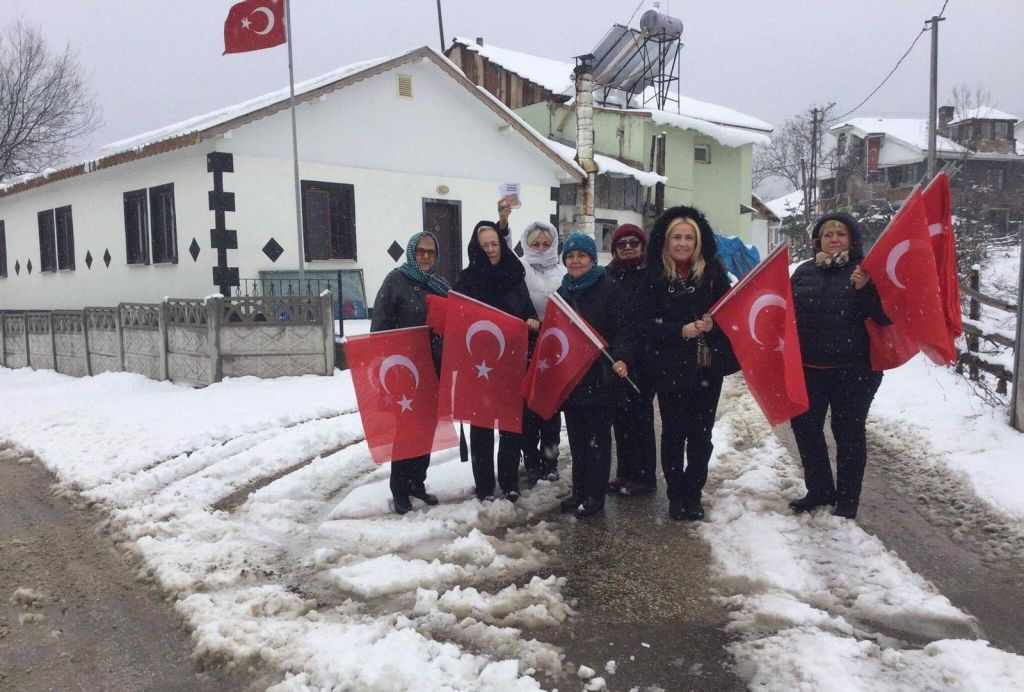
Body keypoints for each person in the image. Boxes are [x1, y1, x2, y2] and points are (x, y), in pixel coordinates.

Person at [635, 206, 737, 521]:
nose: (682, 243)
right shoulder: (652, 276)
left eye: (688, 237)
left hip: (706, 367)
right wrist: (678, 330)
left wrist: (713, 325)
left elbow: (731, 313)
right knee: (673, 433)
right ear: (666, 242)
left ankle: (694, 491)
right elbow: (642, 321)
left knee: (701, 434)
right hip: (668, 368)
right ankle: (676, 493)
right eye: (676, 237)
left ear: (698, 241)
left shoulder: (714, 274)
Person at [789, 212, 890, 520]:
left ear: (851, 240)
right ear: (818, 240)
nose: (834, 238)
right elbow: (785, 317)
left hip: (854, 370)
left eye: (841, 233)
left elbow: (884, 318)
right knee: (806, 430)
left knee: (848, 433)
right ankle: (819, 490)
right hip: (809, 369)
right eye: (828, 233)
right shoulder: (802, 273)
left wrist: (866, 290)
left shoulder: (865, 273)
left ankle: (847, 500)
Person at [454, 220, 540, 502]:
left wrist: (531, 321)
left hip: (511, 362)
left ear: (501, 244)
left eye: (494, 243)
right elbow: (459, 320)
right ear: (476, 248)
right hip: (479, 365)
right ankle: (485, 486)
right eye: (485, 245)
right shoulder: (467, 280)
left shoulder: (515, 275)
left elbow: (528, 311)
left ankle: (509, 480)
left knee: (510, 426)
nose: (490, 249)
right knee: (481, 428)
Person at [370, 231, 450, 515]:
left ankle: (418, 482)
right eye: (421, 251)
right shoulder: (396, 280)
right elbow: (380, 324)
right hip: (404, 371)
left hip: (434, 369)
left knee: (426, 429)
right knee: (405, 431)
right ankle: (400, 490)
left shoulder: (440, 285)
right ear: (411, 252)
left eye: (431, 252)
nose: (426, 256)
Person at [556, 233, 634, 517]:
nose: (575, 261)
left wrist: (622, 357)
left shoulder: (609, 288)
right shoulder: (563, 291)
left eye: (582, 256)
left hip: (600, 377)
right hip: (573, 378)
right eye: (571, 256)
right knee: (577, 440)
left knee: (597, 441)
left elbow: (624, 329)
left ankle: (595, 495)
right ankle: (578, 490)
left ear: (592, 259)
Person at [604, 223, 658, 497]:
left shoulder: (652, 275)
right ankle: (624, 472)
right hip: (615, 356)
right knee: (620, 419)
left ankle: (645, 475)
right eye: (621, 244)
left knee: (641, 418)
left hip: (644, 358)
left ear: (643, 247)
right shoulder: (607, 276)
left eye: (633, 243)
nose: (627, 248)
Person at [518, 221, 566, 486]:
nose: (541, 248)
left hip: (555, 347)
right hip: (527, 344)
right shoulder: (520, 269)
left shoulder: (562, 271)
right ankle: (532, 459)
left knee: (550, 408)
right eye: (535, 244)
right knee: (529, 409)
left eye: (546, 244)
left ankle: (550, 459)